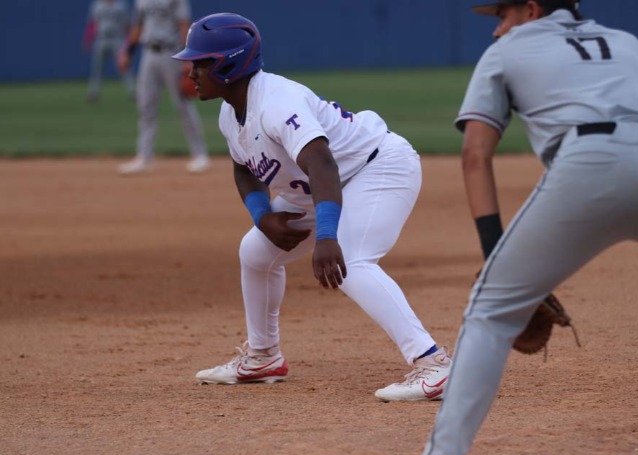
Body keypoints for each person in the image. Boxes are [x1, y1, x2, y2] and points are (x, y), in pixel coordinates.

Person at [373, 0, 638, 455]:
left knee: (490, 312)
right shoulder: (626, 43)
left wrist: (493, 254)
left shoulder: (506, 51)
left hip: (587, 166)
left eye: (502, 15)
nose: (497, 30)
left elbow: (475, 155)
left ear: (531, 9)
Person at [171, 13, 453, 402]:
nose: (191, 72)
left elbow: (322, 163)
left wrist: (326, 234)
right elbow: (243, 169)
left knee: (351, 261)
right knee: (255, 252)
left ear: (228, 65)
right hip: (319, 187)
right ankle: (263, 356)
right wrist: (262, 216)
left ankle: (434, 364)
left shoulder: (277, 102)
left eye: (201, 62)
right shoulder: (229, 112)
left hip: (377, 167)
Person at [117, 0, 210, 175]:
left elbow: (184, 25)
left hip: (172, 52)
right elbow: (138, 26)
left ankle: (200, 155)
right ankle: (144, 157)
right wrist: (128, 52)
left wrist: (187, 58)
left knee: (182, 104)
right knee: (146, 105)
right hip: (148, 53)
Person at [83, 0, 136, 102]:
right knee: (97, 68)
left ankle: (132, 91)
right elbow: (92, 23)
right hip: (101, 38)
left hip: (117, 39)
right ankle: (93, 92)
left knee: (124, 65)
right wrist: (88, 39)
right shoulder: (97, 5)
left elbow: (127, 24)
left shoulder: (120, 5)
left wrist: (129, 41)